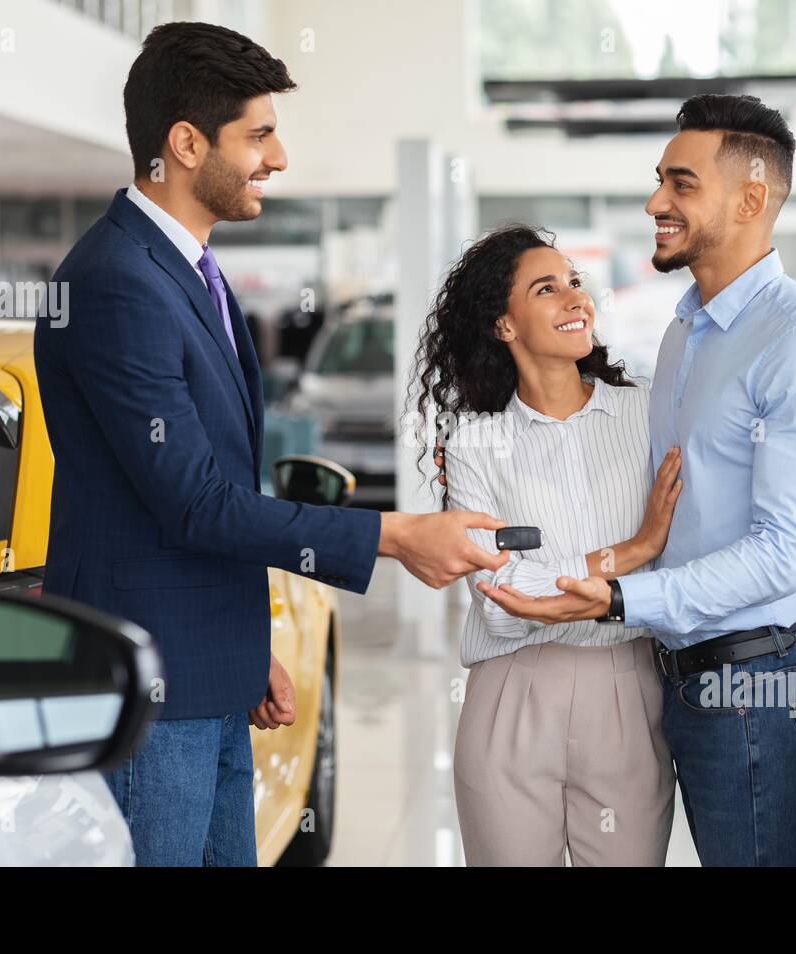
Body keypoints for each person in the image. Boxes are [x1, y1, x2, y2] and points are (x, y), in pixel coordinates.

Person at [33, 22, 508, 867]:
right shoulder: (116, 283)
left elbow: (213, 487)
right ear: (184, 144)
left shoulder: (188, 272)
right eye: (258, 135)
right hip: (148, 688)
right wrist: (395, 536)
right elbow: (193, 503)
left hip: (201, 672)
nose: (278, 157)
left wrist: (241, 654)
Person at [482, 94, 796, 866]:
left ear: (751, 198)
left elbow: (779, 555)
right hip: (683, 677)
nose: (656, 201)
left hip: (760, 687)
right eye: (661, 178)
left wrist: (624, 594)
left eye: (682, 183)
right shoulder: (687, 328)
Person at [414, 224, 796, 866]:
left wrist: (793, 534)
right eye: (546, 289)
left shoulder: (647, 414)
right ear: (504, 325)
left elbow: (712, 516)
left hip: (629, 684)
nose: (575, 299)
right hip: (511, 695)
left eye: (576, 283)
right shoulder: (473, 442)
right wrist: (631, 553)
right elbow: (499, 599)